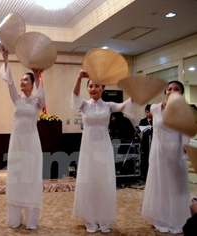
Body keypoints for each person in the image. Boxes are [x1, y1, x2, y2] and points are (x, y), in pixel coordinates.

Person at [71, 70, 137, 233]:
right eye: (90, 86)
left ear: (103, 88)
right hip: (88, 147)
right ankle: (90, 219)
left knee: (103, 181)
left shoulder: (108, 106)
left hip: (103, 147)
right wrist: (79, 78)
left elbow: (124, 106)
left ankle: (104, 218)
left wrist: (135, 94)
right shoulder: (84, 105)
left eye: (96, 86)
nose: (93, 88)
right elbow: (74, 96)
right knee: (90, 181)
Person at [0, 45, 45, 230]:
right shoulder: (16, 99)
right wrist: (6, 59)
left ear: (32, 83)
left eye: (26, 79)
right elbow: (9, 82)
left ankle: (31, 220)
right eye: (21, 80)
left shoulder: (37, 102)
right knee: (17, 176)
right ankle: (15, 219)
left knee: (31, 177)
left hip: (32, 143)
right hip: (17, 144)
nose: (22, 82)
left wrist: (39, 77)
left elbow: (43, 97)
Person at [141, 80, 191, 234]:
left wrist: (185, 146)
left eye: (176, 89)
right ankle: (161, 218)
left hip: (175, 152)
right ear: (165, 92)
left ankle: (176, 219)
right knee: (160, 185)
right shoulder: (155, 108)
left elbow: (186, 131)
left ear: (181, 93)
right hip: (158, 152)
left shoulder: (185, 111)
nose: (172, 91)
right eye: (169, 89)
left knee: (175, 186)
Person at [138, 104, 152, 181]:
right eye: (147, 112)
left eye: (149, 112)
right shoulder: (143, 120)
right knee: (144, 158)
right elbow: (140, 129)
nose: (148, 114)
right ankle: (144, 175)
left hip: (153, 141)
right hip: (145, 141)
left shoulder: (155, 120)